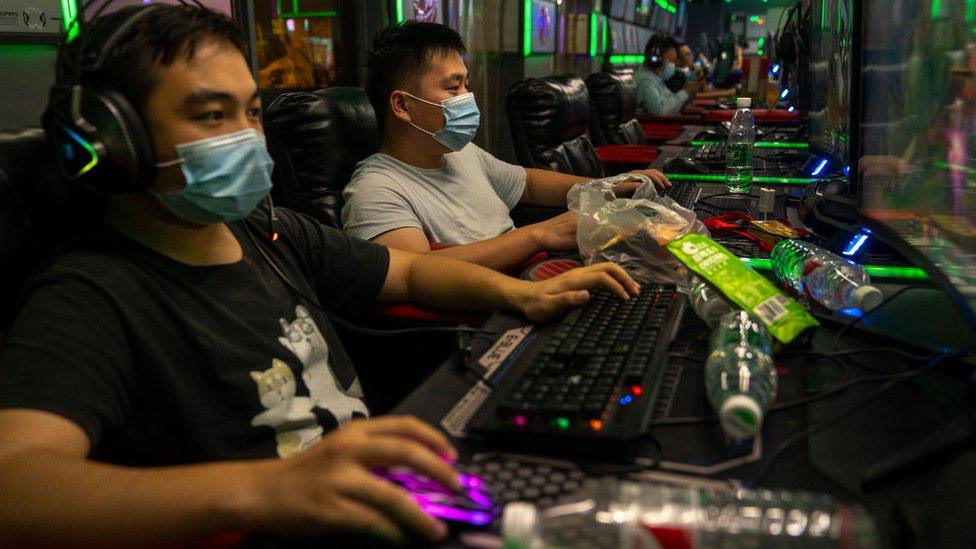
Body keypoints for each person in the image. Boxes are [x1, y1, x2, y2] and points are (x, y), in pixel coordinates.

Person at [0, 6, 640, 546]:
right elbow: (16, 484)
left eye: (251, 111)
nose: (250, 138)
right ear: (111, 145)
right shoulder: (91, 294)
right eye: (212, 115)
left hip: (374, 503)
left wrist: (522, 293)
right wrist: (268, 487)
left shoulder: (268, 231)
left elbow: (412, 275)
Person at [340, 21, 672, 273]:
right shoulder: (375, 190)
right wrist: (538, 235)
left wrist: (608, 186)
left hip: (534, 273)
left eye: (466, 85)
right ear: (402, 105)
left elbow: (526, 183)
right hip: (491, 312)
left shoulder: (458, 153)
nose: (467, 98)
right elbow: (416, 272)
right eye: (452, 87)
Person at [636, 34, 704, 116]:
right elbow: (661, 110)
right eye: (671, 61)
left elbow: (672, 104)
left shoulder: (656, 79)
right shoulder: (645, 81)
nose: (673, 65)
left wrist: (690, 93)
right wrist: (685, 91)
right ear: (656, 59)